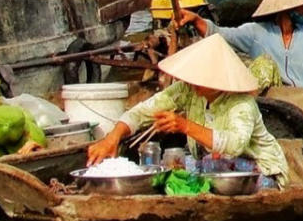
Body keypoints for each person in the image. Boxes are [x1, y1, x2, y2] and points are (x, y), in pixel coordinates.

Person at [85, 34, 291, 187]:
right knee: (168, 170)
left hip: (260, 170)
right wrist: (113, 137)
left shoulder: (242, 104)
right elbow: (142, 112)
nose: (193, 82)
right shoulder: (187, 90)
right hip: (213, 166)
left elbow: (234, 145)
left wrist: (184, 126)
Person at [176, 0, 303, 108]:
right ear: (287, 9)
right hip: (275, 101)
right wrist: (196, 20)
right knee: (264, 65)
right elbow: (222, 34)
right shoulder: (256, 32)